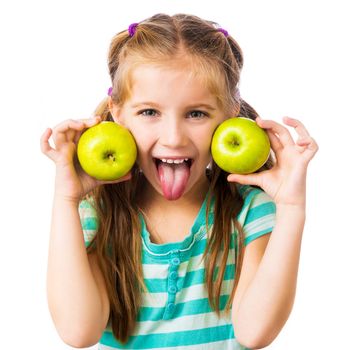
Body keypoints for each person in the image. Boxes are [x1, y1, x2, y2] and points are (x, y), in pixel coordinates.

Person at [40, 13, 318, 350]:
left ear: (231, 114)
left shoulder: (248, 211)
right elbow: (77, 331)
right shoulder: (99, 212)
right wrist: (66, 199)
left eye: (196, 113)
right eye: (149, 112)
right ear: (117, 112)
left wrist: (291, 208)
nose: (173, 138)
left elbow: (255, 332)